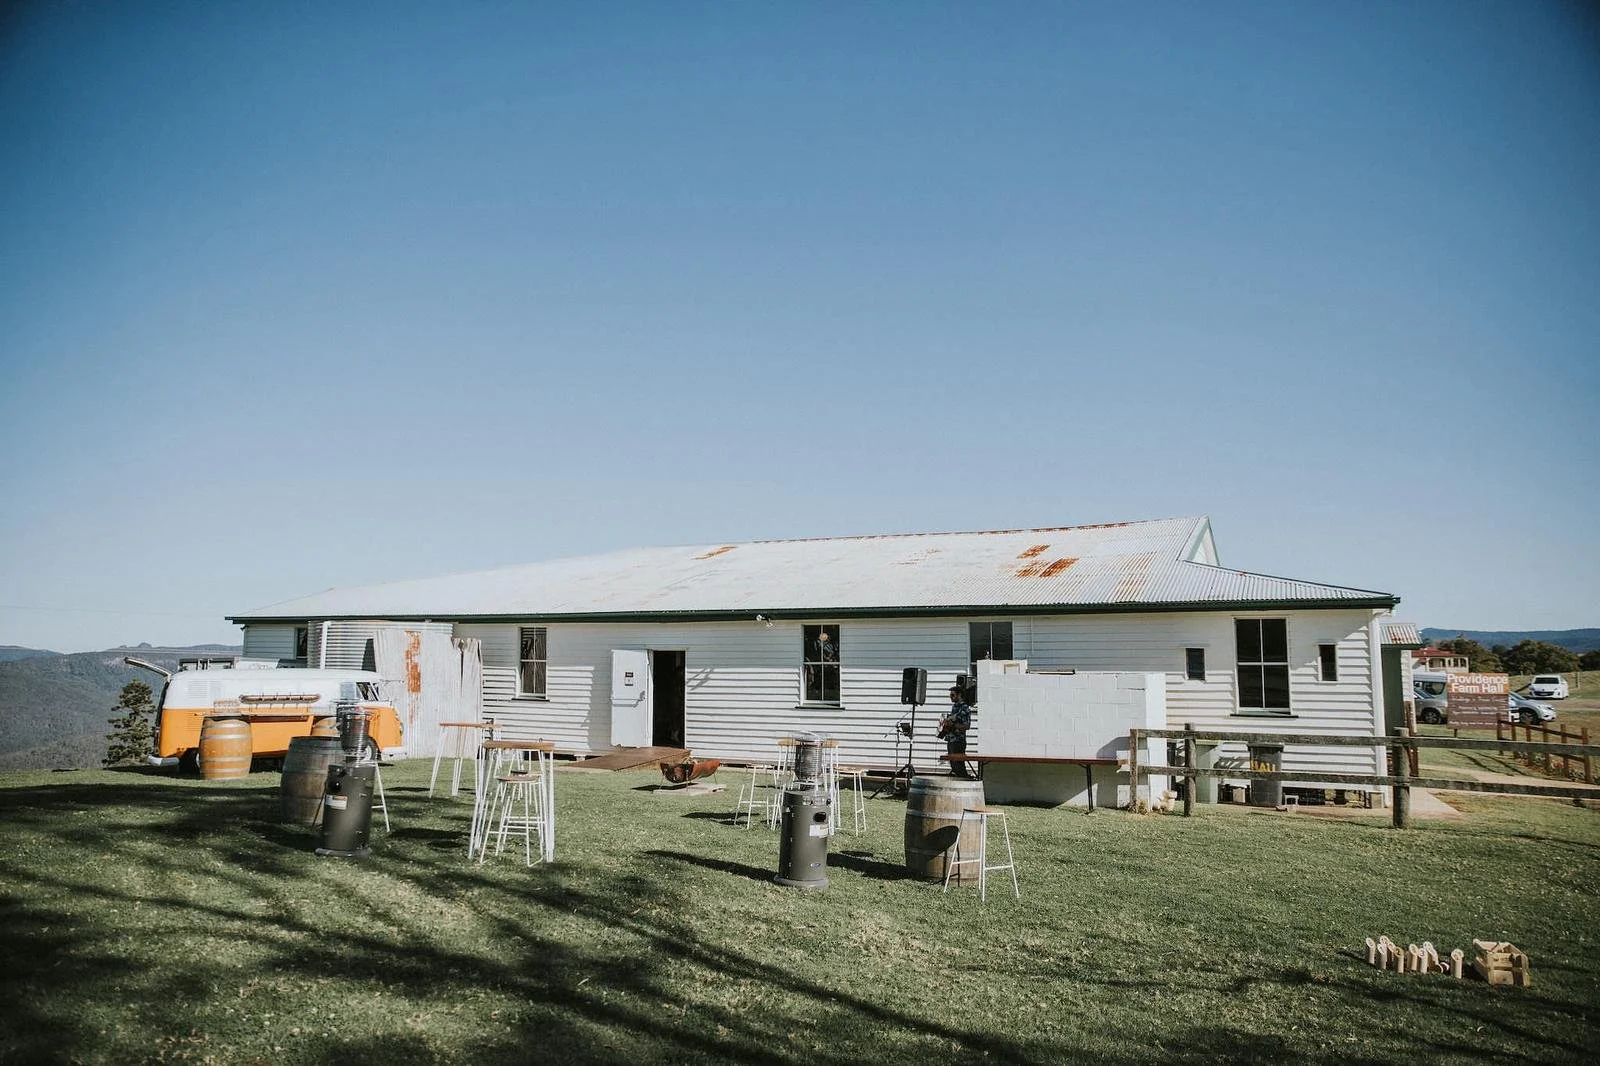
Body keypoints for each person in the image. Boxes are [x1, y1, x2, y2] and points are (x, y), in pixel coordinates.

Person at [940, 685, 974, 779]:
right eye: (950, 695)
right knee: (953, 765)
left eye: (953, 695)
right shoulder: (954, 707)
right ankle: (962, 779)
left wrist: (953, 725)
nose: (950, 697)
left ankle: (966, 780)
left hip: (959, 741)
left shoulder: (964, 708)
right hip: (951, 739)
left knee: (958, 765)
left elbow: (967, 726)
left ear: (959, 695)